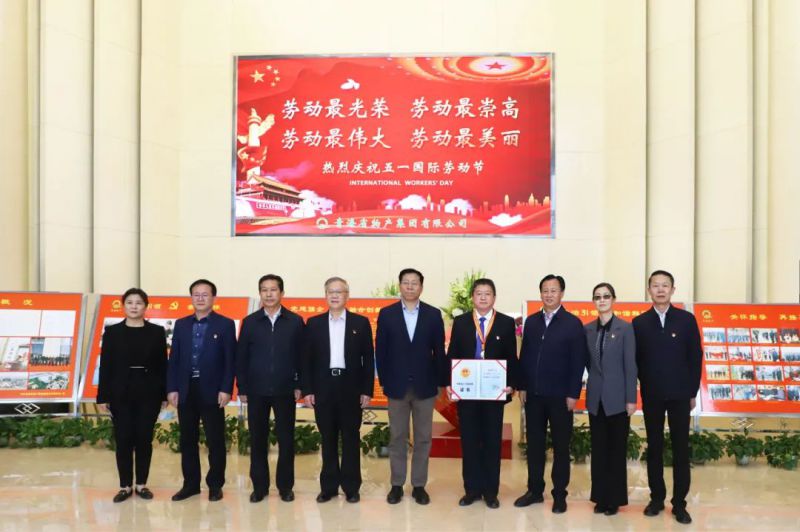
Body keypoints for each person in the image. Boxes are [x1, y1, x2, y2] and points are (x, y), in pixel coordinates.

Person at [633, 270, 702, 525]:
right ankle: (656, 499)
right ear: (649, 290)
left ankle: (680, 503)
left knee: (681, 449)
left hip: (680, 395)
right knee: (655, 447)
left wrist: (692, 392)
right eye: (656, 285)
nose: (660, 290)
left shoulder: (686, 320)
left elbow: (695, 357)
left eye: (665, 286)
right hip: (652, 395)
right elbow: (635, 361)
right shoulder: (640, 323)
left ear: (673, 290)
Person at [515, 274, 587, 514]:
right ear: (540, 293)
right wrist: (522, 385)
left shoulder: (572, 323)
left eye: (553, 290)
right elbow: (525, 356)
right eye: (545, 290)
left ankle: (559, 495)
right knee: (534, 445)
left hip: (560, 396)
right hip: (534, 395)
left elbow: (578, 361)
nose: (549, 294)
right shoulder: (532, 322)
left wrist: (573, 393)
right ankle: (534, 490)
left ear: (562, 293)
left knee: (560, 447)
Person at [376, 268, 446, 505]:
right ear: (400, 286)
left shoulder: (433, 314)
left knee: (423, 438)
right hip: (396, 386)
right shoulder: (387, 314)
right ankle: (396, 484)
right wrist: (385, 380)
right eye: (405, 282)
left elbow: (439, 352)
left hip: (425, 386)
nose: (409, 286)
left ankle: (418, 485)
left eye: (414, 283)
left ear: (421, 287)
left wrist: (441, 382)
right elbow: (381, 351)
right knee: (397, 436)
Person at [445, 278, 517, 509]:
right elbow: (452, 354)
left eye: (487, 293)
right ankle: (472, 490)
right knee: (469, 441)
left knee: (492, 442)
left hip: (493, 393)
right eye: (479, 293)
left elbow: (512, 357)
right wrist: (449, 382)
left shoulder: (505, 323)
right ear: (472, 297)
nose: (483, 297)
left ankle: (491, 492)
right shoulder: (461, 322)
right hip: (467, 393)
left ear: (494, 297)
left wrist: (511, 384)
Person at [302, 277, 374, 503]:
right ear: (325, 295)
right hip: (323, 387)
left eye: (339, 292)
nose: (334, 296)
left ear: (347, 295)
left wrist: (367, 390)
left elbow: (368, 360)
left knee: (351, 438)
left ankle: (351, 487)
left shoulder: (360, 323)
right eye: (330, 292)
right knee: (328, 438)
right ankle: (329, 487)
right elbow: (306, 360)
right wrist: (308, 390)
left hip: (350, 387)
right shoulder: (314, 323)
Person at [167, 279, 236, 502]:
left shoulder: (225, 324)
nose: (200, 298)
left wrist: (226, 388)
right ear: (191, 298)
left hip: (213, 390)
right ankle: (190, 485)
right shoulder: (181, 324)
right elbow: (174, 358)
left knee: (215, 440)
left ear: (213, 298)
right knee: (187, 439)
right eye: (196, 294)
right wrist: (172, 387)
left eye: (205, 294)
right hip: (186, 389)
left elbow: (230, 360)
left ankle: (215, 485)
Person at [237, 274, 304, 503]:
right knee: (257, 440)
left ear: (282, 293)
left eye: (273, 289)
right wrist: (242, 387)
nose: (268, 294)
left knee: (286, 440)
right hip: (256, 390)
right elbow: (241, 357)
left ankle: (285, 487)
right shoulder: (250, 322)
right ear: (260, 293)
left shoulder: (295, 321)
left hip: (286, 390)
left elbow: (302, 357)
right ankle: (260, 487)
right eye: (264, 290)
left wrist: (299, 384)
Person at [97, 288, 168, 503]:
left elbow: (163, 365)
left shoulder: (156, 332)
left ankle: (141, 484)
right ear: (123, 306)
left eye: (138, 303)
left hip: (149, 392)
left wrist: (164, 394)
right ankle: (125, 486)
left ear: (145, 306)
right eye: (130, 302)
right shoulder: (112, 332)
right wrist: (102, 396)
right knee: (124, 439)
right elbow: (106, 366)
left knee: (144, 439)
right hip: (121, 393)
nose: (134, 306)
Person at [584, 282, 637, 516]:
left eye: (606, 296)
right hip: (596, 399)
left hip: (618, 399)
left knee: (616, 451)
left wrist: (631, 398)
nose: (602, 300)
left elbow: (630, 366)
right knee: (598, 451)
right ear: (593, 301)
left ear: (613, 300)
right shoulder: (588, 329)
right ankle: (600, 497)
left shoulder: (625, 329)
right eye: (597, 297)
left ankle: (614, 500)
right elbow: (588, 364)